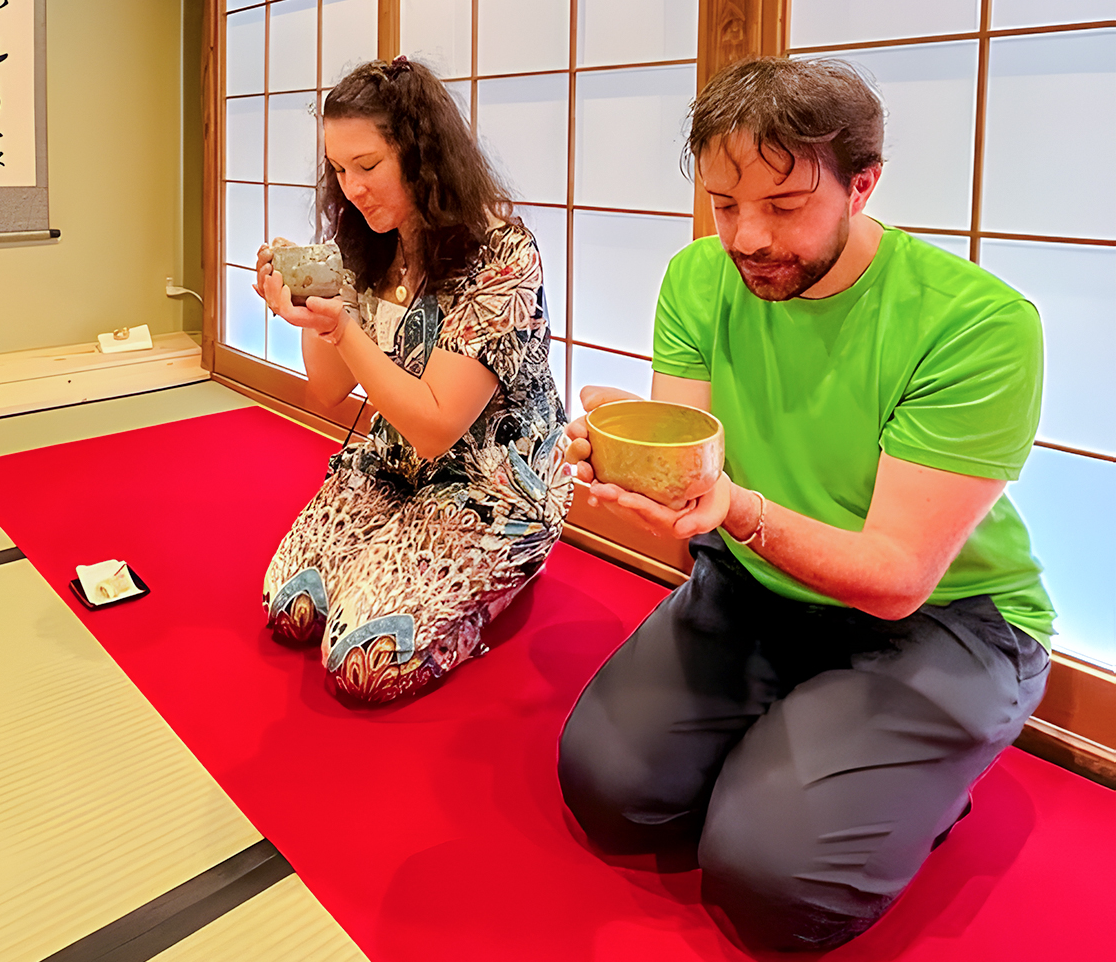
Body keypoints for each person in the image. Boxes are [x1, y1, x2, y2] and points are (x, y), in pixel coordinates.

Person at [555, 56, 1053, 951]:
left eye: (784, 207)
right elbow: (692, 455)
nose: (747, 238)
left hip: (943, 619)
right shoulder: (699, 277)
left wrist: (737, 512)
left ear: (863, 185)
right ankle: (802, 738)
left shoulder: (975, 323)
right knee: (610, 793)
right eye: (724, 204)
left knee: (770, 884)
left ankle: (922, 760)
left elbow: (897, 577)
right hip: (753, 588)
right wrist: (624, 453)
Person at [256, 57, 571, 705]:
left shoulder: (501, 255)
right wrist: (313, 308)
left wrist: (344, 326)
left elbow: (433, 426)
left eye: (367, 167)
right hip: (392, 467)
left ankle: (507, 571)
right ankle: (395, 561)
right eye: (339, 171)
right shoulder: (367, 241)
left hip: (489, 487)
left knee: (361, 662)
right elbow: (324, 392)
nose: (352, 189)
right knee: (290, 608)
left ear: (423, 157)